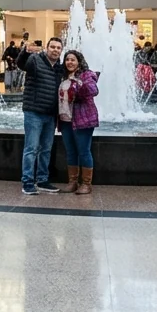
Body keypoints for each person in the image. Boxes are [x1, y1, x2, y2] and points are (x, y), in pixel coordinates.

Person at [20, 37, 65, 194]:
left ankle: (42, 180)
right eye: (52, 47)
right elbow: (22, 64)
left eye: (58, 48)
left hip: (50, 114)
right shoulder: (35, 60)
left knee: (46, 149)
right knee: (31, 149)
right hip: (34, 112)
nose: (55, 50)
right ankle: (27, 182)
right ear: (47, 48)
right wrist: (25, 52)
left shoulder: (59, 68)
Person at [58, 50, 100, 195]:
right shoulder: (62, 76)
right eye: (67, 59)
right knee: (71, 152)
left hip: (83, 119)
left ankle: (86, 184)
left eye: (73, 60)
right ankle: (72, 182)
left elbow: (94, 90)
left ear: (79, 62)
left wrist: (79, 84)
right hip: (65, 120)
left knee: (83, 151)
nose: (70, 62)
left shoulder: (87, 75)